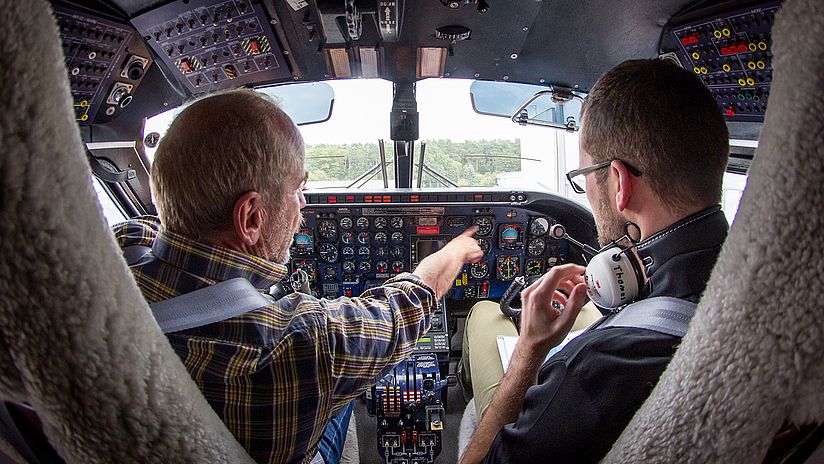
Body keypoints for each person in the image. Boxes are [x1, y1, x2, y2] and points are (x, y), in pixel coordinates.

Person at [112, 88, 483, 464]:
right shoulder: (303, 343)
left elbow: (150, 229)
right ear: (251, 218)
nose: (303, 205)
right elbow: (405, 308)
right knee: (343, 393)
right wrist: (453, 251)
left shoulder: (117, 253)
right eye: (298, 190)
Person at [460, 59, 730, 463]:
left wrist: (530, 350)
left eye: (585, 174)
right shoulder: (771, 288)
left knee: (482, 314)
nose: (586, 189)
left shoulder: (592, 369)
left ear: (619, 183)